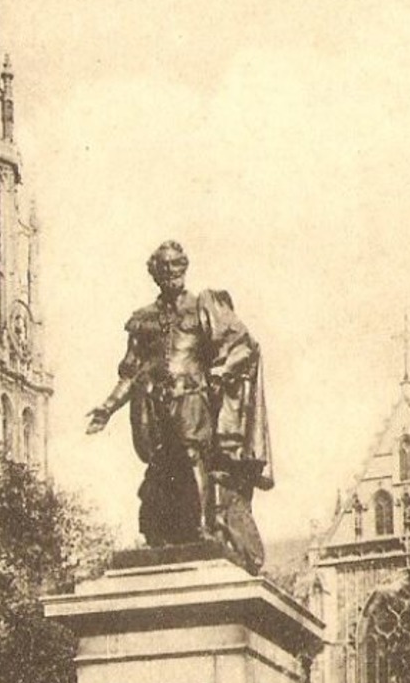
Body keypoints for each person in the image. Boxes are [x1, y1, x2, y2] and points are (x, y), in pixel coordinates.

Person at [87, 240, 272, 570]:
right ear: (155, 273)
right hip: (152, 406)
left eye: (176, 265)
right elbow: (131, 372)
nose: (171, 271)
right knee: (159, 467)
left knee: (191, 457)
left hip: (191, 397)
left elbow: (245, 346)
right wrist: (108, 406)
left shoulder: (204, 306)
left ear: (184, 268)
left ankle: (205, 527)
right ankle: (159, 534)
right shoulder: (142, 320)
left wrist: (221, 370)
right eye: (164, 267)